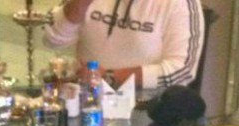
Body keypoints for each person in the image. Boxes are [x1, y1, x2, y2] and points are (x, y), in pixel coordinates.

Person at [44, 0, 205, 90]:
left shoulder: (181, 3)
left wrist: (108, 77)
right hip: (85, 102)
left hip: (148, 111)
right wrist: (80, 4)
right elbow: (52, 40)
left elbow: (182, 71)